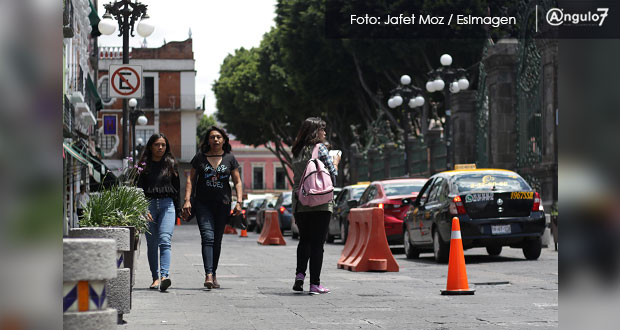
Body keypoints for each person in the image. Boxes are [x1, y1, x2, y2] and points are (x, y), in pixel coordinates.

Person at [183, 126, 243, 289]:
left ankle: (213, 273)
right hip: (203, 204)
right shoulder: (200, 158)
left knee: (217, 241)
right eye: (212, 137)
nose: (215, 140)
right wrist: (187, 200)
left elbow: (237, 181)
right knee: (207, 237)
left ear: (224, 139)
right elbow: (191, 179)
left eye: (218, 137)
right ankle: (208, 274)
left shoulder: (230, 158)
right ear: (207, 140)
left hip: (223, 204)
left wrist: (239, 201)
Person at [291, 117, 340, 294]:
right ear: (315, 132)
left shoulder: (295, 151)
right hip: (320, 200)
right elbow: (333, 174)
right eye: (322, 129)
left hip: (300, 199)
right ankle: (315, 284)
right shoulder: (320, 149)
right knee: (317, 243)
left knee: (304, 240)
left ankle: (299, 275)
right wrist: (335, 161)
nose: (325, 133)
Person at [136, 133, 180, 292]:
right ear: (150, 146)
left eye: (163, 145)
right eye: (157, 144)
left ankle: (164, 276)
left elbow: (177, 189)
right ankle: (155, 278)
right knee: (152, 244)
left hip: (168, 205)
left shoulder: (171, 163)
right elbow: (138, 190)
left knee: (165, 240)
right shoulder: (143, 165)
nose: (160, 147)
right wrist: (143, 208)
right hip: (149, 206)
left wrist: (179, 209)